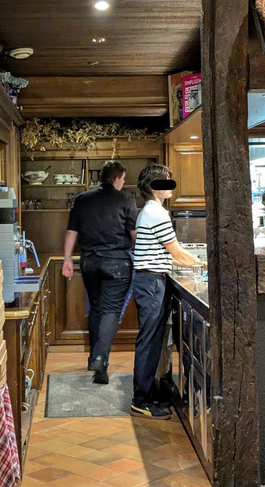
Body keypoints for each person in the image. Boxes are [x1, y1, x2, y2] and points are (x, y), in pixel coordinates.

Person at [130, 164, 203, 420]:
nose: (171, 184)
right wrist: (204, 264)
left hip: (148, 281)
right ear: (154, 187)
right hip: (151, 283)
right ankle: (140, 400)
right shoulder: (157, 214)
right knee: (149, 341)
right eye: (166, 181)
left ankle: (147, 392)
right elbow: (177, 253)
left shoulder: (149, 211)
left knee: (151, 340)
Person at [63, 160, 137, 385]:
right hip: (117, 263)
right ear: (116, 178)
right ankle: (100, 358)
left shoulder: (82, 199)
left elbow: (71, 232)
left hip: (90, 262)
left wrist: (67, 259)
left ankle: (92, 356)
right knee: (110, 310)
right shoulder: (126, 200)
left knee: (95, 307)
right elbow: (134, 233)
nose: (123, 183)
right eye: (123, 179)